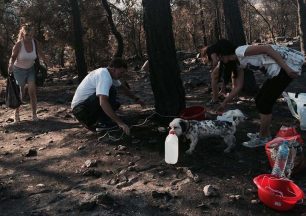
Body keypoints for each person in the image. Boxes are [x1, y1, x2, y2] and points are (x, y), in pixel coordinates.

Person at [213, 39, 305, 147]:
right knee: (259, 100)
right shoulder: (238, 62)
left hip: (284, 70)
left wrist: (287, 68)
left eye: (218, 55)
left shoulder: (239, 51)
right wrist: (224, 103)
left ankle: (263, 138)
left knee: (264, 104)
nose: (218, 58)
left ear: (223, 51)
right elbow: (238, 86)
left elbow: (267, 48)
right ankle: (265, 134)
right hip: (276, 73)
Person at [71, 58, 145, 135]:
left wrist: (136, 99)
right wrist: (120, 123)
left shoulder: (107, 73)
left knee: (115, 103)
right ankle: (104, 124)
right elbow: (103, 102)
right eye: (121, 73)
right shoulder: (104, 76)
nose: (122, 75)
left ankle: (101, 122)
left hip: (83, 110)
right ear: (113, 69)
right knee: (111, 90)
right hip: (81, 111)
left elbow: (122, 88)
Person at [7, 24, 48, 122]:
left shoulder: (35, 42)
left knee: (32, 91)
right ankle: (16, 114)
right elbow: (13, 57)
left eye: (31, 35)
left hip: (30, 69)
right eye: (27, 35)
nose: (29, 37)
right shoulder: (18, 45)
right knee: (20, 92)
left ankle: (34, 115)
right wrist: (10, 66)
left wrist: (48, 62)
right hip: (18, 70)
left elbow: (40, 53)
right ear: (23, 34)